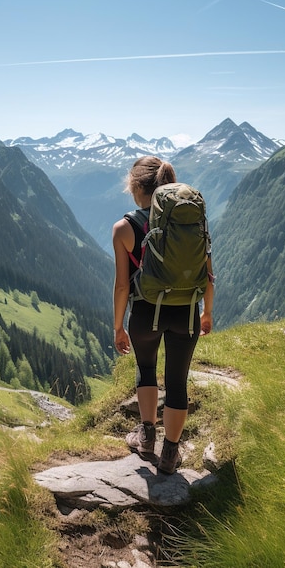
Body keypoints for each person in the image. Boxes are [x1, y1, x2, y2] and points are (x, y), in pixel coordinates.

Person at [112, 156, 214, 474]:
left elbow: (121, 286)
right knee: (177, 381)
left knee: (146, 369)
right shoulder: (190, 221)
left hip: (145, 312)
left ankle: (145, 438)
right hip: (186, 313)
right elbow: (208, 273)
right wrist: (207, 312)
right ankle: (170, 455)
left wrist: (118, 327)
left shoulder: (125, 228)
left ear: (135, 185)